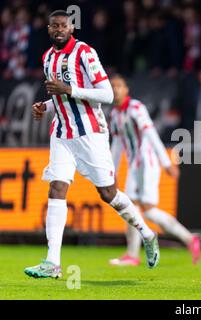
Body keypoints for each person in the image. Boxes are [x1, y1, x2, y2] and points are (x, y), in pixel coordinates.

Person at [25, 10, 160, 279]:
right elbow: (60, 98)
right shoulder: (48, 57)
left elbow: (107, 94)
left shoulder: (85, 53)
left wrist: (70, 90)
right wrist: (46, 106)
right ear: (49, 29)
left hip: (90, 133)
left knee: (108, 194)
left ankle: (147, 233)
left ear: (71, 28)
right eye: (54, 26)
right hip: (62, 133)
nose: (59, 30)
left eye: (64, 26)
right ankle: (53, 262)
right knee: (57, 187)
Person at [108, 74, 201, 266]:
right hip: (135, 165)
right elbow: (117, 145)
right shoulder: (115, 115)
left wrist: (166, 162)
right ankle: (132, 255)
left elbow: (151, 134)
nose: (115, 89)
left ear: (126, 90)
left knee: (149, 211)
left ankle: (189, 239)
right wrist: (112, 172)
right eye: (112, 86)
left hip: (148, 163)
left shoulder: (136, 108)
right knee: (129, 206)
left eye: (119, 85)